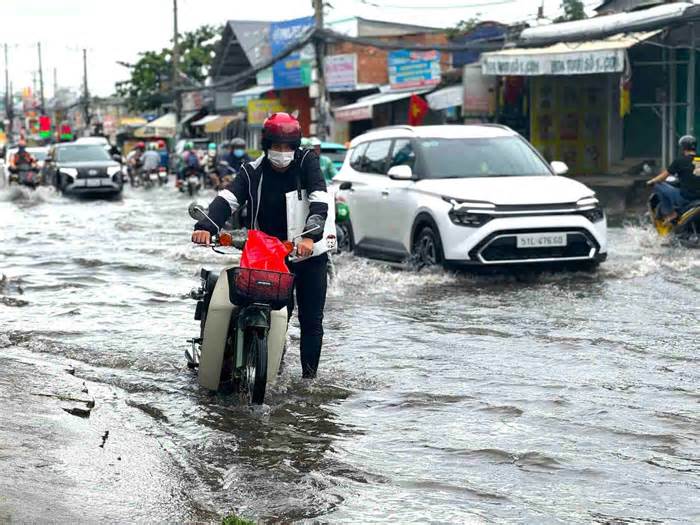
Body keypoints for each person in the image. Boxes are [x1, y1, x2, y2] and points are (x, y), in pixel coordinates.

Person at [191, 112, 329, 379]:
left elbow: (320, 201)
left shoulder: (307, 163)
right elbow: (228, 199)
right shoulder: (251, 171)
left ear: (296, 146)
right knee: (278, 315)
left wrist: (310, 236)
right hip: (269, 257)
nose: (282, 152)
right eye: (276, 146)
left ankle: (309, 381)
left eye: (288, 147)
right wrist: (205, 226)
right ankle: (268, 368)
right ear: (266, 147)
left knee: (312, 321)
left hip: (309, 251)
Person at [647, 135, 700, 224]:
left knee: (657, 185)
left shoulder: (679, 161)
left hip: (686, 198)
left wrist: (651, 181)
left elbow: (662, 177)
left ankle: (670, 214)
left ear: (683, 147)